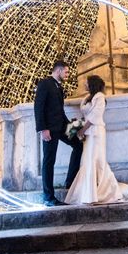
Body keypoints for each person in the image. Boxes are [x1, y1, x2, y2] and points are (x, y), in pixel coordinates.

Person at [65, 75, 128, 205]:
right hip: (88, 133)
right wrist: (79, 127)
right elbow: (86, 115)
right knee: (87, 161)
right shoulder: (87, 98)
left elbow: (95, 115)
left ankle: (105, 191)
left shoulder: (100, 97)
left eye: (86, 82)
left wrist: (82, 129)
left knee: (97, 160)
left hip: (96, 132)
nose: (84, 84)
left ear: (92, 84)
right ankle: (88, 192)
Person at [34, 60, 83, 206]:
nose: (68, 74)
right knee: (49, 161)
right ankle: (49, 197)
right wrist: (43, 129)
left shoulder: (58, 87)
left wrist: (74, 129)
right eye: (66, 72)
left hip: (61, 127)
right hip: (50, 129)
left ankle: (70, 181)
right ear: (59, 71)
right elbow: (38, 107)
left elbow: (60, 112)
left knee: (78, 145)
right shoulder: (44, 84)